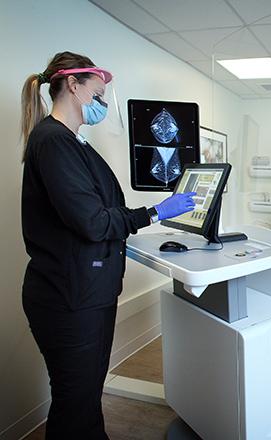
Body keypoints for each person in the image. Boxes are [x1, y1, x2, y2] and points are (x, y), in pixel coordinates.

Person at [20, 51, 196, 439]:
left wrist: (150, 212)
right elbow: (93, 221)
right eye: (98, 95)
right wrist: (155, 213)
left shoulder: (73, 143)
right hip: (69, 296)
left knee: (83, 397)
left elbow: (101, 209)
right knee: (75, 402)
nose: (101, 104)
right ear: (73, 85)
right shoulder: (53, 141)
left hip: (86, 291)